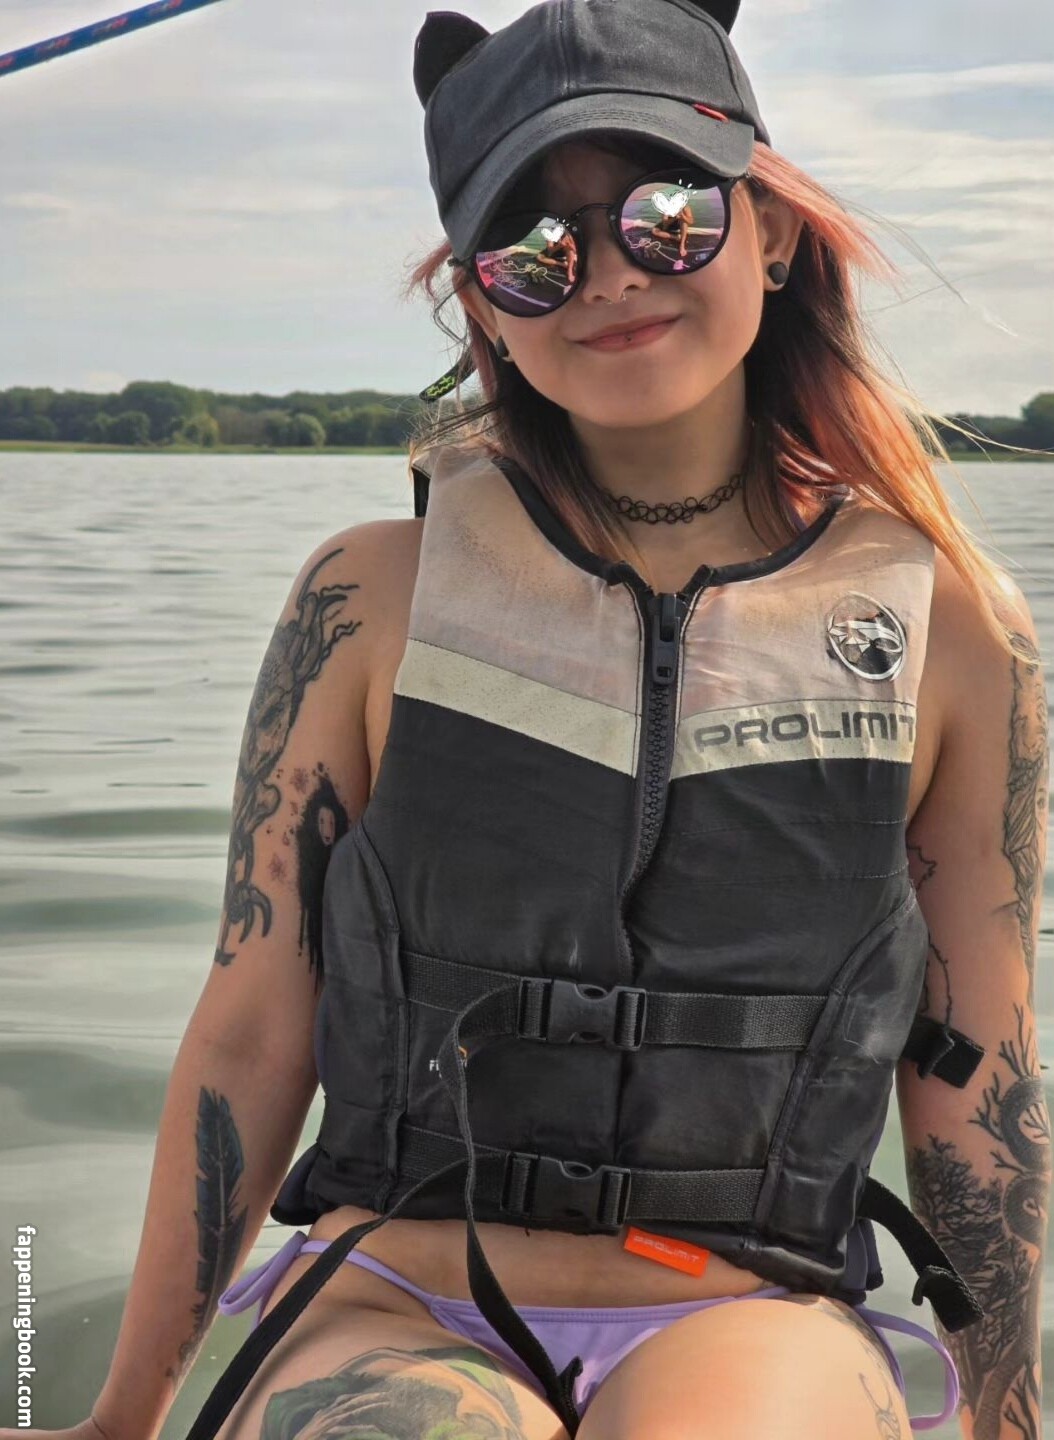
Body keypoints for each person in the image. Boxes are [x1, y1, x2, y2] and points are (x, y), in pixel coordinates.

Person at [5, 2, 1047, 1439]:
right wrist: (120, 1419)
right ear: (481, 302)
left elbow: (980, 1079)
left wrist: (1010, 1420)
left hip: (752, 1320)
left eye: (667, 214)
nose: (608, 272)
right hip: (393, 1304)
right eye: (533, 250)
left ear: (769, 232)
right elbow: (249, 1032)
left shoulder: (955, 631)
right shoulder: (367, 600)